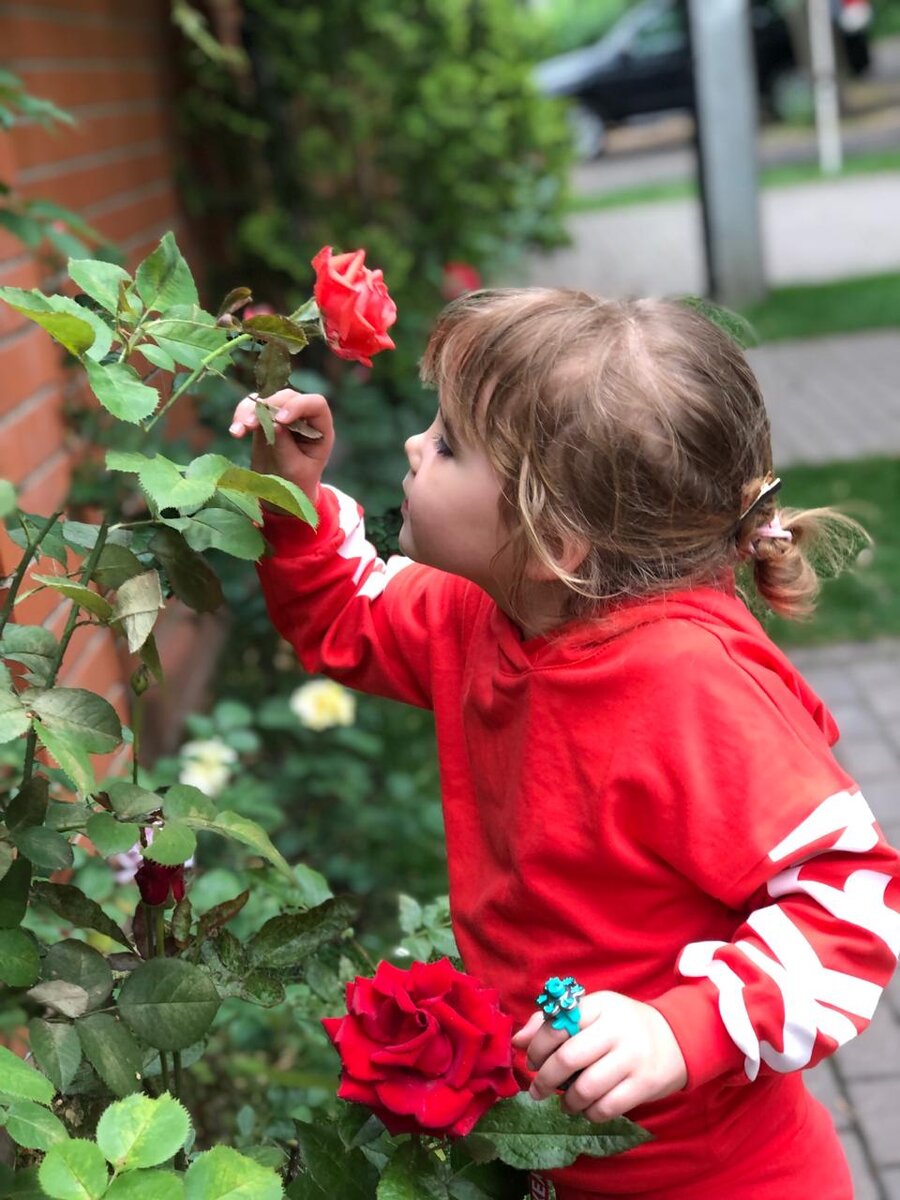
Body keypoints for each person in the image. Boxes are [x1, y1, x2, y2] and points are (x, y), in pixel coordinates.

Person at [229, 289, 900, 1200]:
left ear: (555, 538)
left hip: (719, 1179)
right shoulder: (483, 615)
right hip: (555, 1159)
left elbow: (852, 903)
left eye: (450, 445)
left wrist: (684, 1029)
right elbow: (350, 614)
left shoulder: (690, 688)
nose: (415, 447)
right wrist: (292, 498)